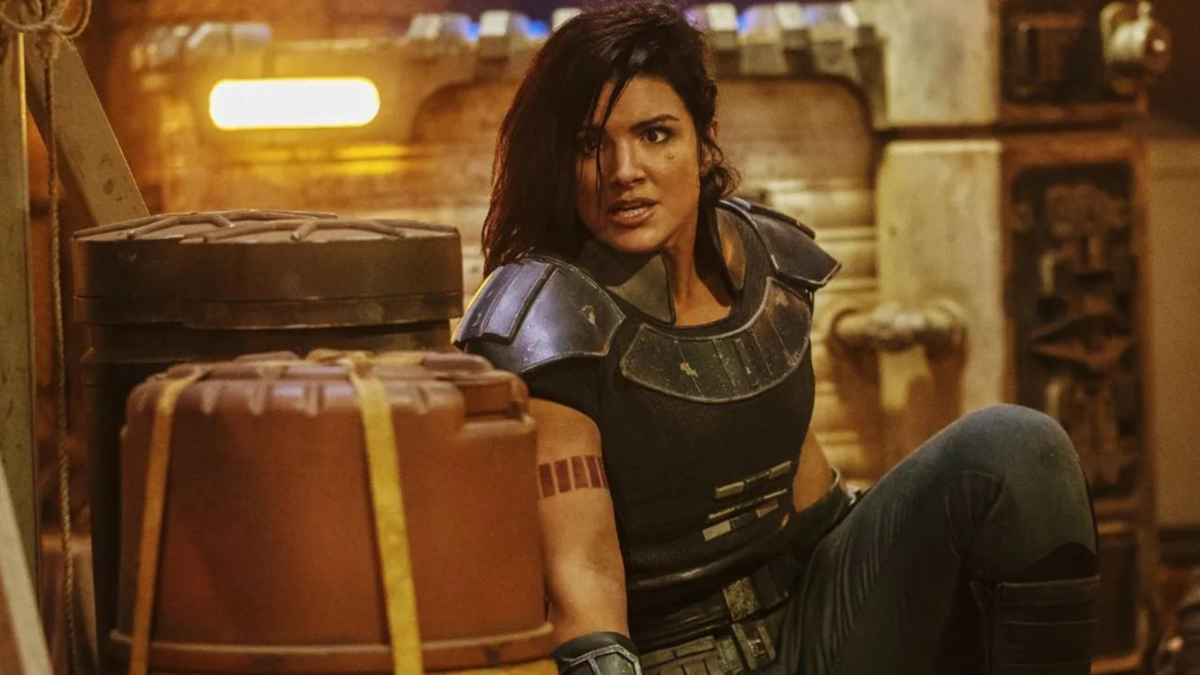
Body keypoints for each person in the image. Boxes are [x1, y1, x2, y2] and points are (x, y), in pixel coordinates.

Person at [455, 3, 1099, 674]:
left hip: (806, 618)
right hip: (678, 654)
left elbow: (813, 505)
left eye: (654, 134)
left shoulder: (760, 260)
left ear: (704, 139)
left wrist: (925, 565)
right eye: (591, 144)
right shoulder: (547, 323)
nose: (624, 170)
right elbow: (583, 585)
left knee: (1020, 450)